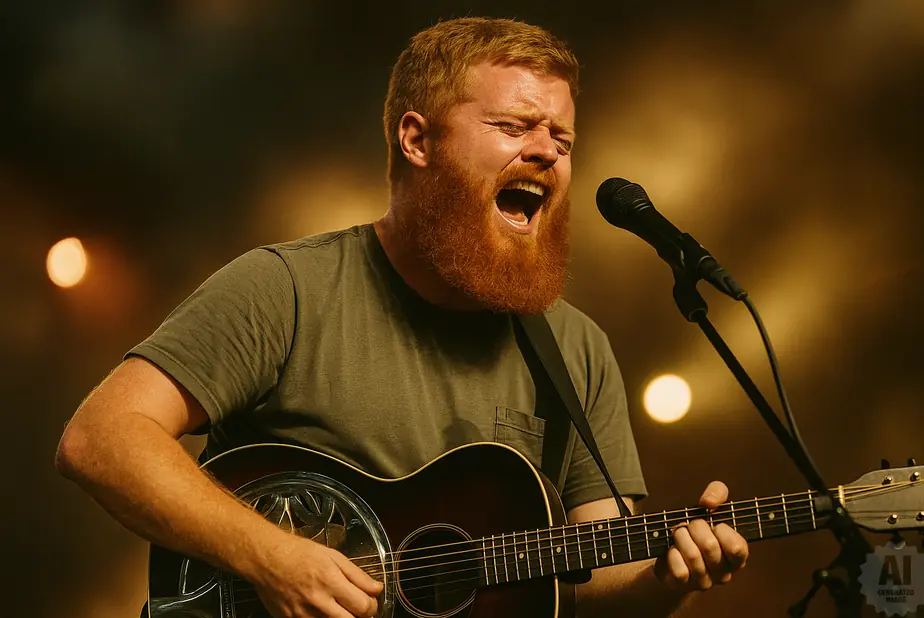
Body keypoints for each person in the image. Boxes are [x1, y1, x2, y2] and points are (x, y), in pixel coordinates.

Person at [55, 17, 748, 618]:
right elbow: (101, 438)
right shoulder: (287, 289)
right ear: (417, 140)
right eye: (512, 126)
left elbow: (592, 585)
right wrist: (271, 557)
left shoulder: (575, 348)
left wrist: (668, 576)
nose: (545, 151)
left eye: (561, 139)